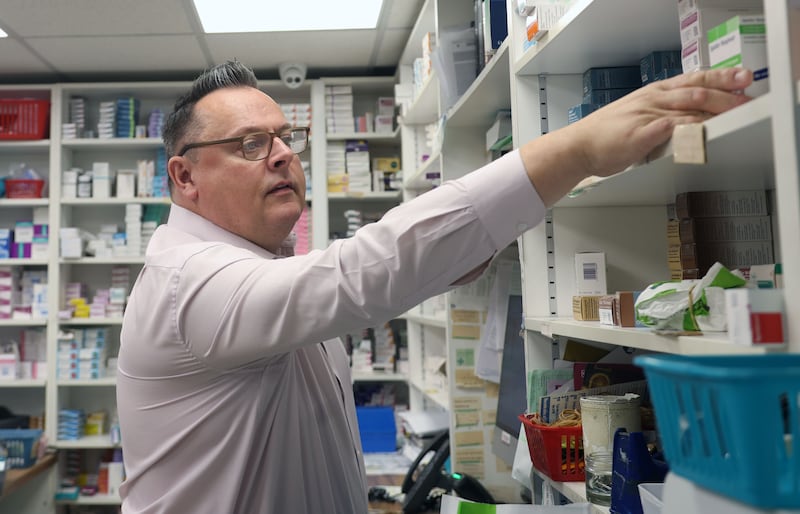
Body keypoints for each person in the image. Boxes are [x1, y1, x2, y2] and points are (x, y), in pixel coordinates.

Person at [116, 59, 753, 513]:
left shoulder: (261, 267)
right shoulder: (185, 283)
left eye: (288, 137)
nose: (284, 154)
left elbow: (369, 279)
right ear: (185, 177)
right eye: (251, 144)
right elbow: (358, 274)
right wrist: (577, 150)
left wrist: (465, 249)